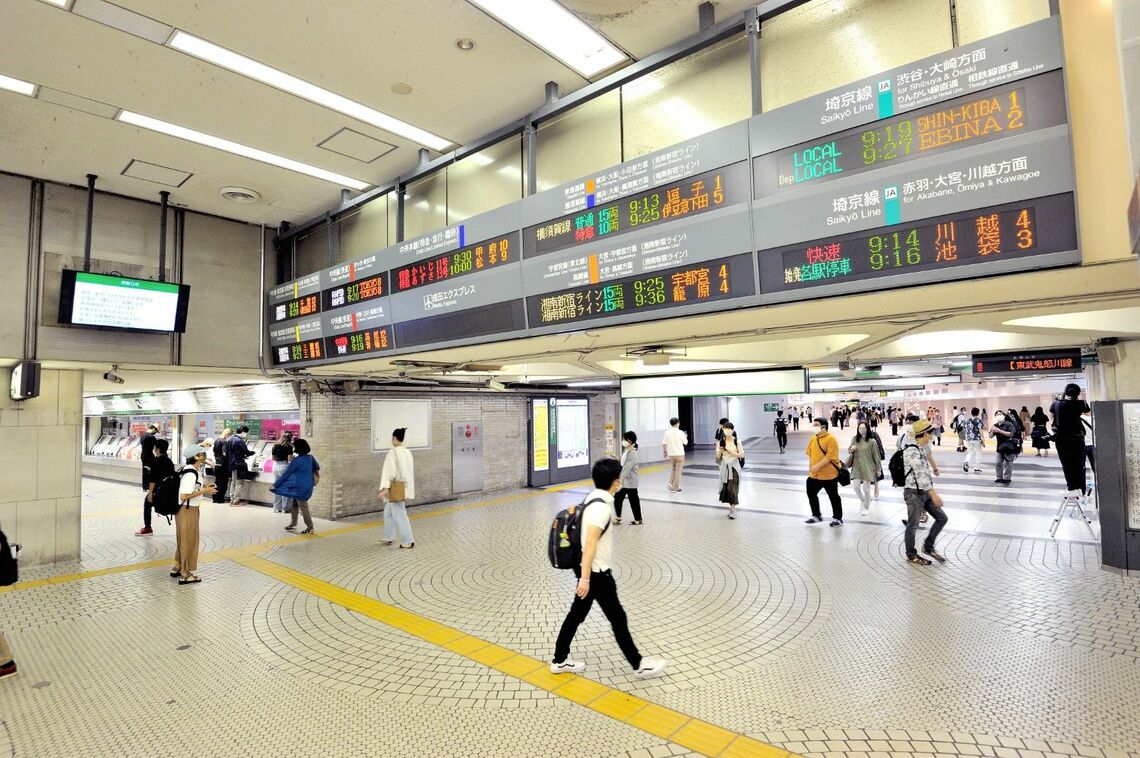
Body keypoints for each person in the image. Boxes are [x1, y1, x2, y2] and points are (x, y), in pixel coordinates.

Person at [550, 457, 668, 680]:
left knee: (577, 615)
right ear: (615, 482)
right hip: (596, 574)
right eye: (619, 479)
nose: (620, 483)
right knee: (617, 618)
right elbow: (591, 544)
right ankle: (638, 664)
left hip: (588, 571)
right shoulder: (601, 509)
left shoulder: (592, 497)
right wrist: (585, 580)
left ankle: (560, 659)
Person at [899, 420, 949, 565]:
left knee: (942, 518)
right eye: (931, 434)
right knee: (913, 525)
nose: (932, 436)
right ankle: (911, 554)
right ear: (925, 434)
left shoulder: (921, 448)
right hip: (914, 493)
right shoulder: (912, 451)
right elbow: (920, 474)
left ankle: (928, 546)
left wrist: (930, 491)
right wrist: (933, 494)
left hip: (924, 492)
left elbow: (925, 473)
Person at [171, 451, 216, 585]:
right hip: (188, 510)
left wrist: (204, 489)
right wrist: (204, 491)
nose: (204, 458)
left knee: (183, 539)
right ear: (197, 458)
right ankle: (185, 574)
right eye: (202, 455)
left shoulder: (190, 470)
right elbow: (184, 495)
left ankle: (177, 567)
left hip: (185, 509)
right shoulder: (191, 473)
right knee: (188, 540)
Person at [1051, 383, 1092, 495]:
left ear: (1065, 392)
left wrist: (1061, 399)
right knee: (1079, 464)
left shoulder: (1056, 404)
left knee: (1067, 464)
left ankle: (1072, 488)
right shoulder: (1081, 403)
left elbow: (1052, 413)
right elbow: (1087, 411)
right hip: (1077, 438)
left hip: (1062, 439)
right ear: (1077, 393)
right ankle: (1081, 489)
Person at [379, 427, 416, 548]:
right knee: (388, 512)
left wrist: (385, 488)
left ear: (394, 438)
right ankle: (389, 536)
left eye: (392, 438)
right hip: (403, 486)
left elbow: (390, 471)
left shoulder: (393, 452)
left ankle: (408, 540)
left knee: (400, 513)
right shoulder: (407, 452)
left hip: (395, 487)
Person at [274, 438, 320, 534]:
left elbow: (286, 474)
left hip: (299, 487)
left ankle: (310, 527)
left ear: (297, 448)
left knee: (303, 506)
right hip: (308, 484)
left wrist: (276, 484)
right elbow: (317, 467)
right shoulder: (310, 458)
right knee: (294, 504)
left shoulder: (296, 460)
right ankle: (293, 525)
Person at [805, 418, 843, 527]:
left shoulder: (831, 440)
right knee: (811, 493)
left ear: (824, 427)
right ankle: (816, 515)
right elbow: (810, 454)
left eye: (816, 424)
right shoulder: (813, 439)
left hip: (829, 475)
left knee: (833, 496)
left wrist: (817, 466)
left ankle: (838, 518)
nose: (814, 426)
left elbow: (829, 457)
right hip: (814, 476)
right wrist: (811, 468)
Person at [136, 438, 175, 536]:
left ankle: (147, 527)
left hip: (157, 491)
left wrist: (150, 493)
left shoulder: (155, 462)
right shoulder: (169, 462)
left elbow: (153, 480)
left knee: (147, 503)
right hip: (167, 491)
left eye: (155, 448)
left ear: (157, 449)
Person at [849, 422, 881, 516]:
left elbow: (876, 456)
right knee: (856, 487)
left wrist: (878, 469)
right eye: (860, 428)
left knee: (866, 488)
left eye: (864, 428)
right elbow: (849, 450)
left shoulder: (872, 441)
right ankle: (863, 500)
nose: (861, 430)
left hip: (868, 467)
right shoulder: (855, 439)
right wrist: (852, 449)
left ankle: (866, 507)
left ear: (868, 429)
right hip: (857, 466)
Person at [614, 431, 642, 525]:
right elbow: (623, 463)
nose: (622, 441)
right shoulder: (627, 450)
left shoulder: (632, 453)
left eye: (624, 439)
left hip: (631, 481)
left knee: (633, 500)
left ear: (629, 441)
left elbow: (627, 468)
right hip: (625, 481)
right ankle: (618, 518)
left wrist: (619, 480)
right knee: (617, 498)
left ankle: (638, 519)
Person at [717, 422, 744, 519]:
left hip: (734, 467)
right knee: (726, 488)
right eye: (725, 428)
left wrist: (731, 452)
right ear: (723, 429)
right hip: (725, 468)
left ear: (732, 430)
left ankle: (733, 510)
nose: (727, 430)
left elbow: (742, 455)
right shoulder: (720, 442)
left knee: (731, 488)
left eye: (729, 428)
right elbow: (717, 457)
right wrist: (720, 451)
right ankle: (732, 508)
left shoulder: (737, 441)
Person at [226, 426, 256, 506]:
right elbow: (246, 452)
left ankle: (231, 499)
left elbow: (231, 452)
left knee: (233, 482)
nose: (246, 435)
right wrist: (254, 452)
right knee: (239, 482)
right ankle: (236, 500)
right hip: (239, 464)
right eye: (246, 433)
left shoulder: (230, 439)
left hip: (232, 464)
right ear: (243, 432)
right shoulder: (239, 441)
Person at [989, 410, 1019, 485]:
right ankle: (999, 477)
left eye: (1000, 414)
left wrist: (999, 431)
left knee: (1008, 463)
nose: (999, 416)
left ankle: (1007, 478)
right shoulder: (995, 425)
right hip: (1000, 447)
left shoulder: (1009, 424)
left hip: (1009, 447)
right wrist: (993, 430)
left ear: (1004, 416)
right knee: (998, 463)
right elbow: (990, 436)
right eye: (997, 414)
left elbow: (1011, 434)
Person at [270, 431, 295, 513]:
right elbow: (289, 459)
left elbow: (273, 458)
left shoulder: (275, 445)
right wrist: (294, 457)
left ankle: (277, 507)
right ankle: (285, 508)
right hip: (284, 466)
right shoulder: (289, 447)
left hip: (275, 466)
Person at [661, 418, 688, 493]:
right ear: (677, 423)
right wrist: (686, 436)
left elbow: (664, 443)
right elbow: (685, 442)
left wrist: (665, 452)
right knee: (678, 471)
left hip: (671, 454)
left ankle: (670, 483)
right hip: (679, 454)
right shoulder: (680, 432)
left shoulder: (667, 432)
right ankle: (676, 487)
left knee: (673, 469)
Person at [211, 428, 234, 504]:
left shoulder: (216, 441)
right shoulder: (224, 442)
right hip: (224, 466)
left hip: (217, 464)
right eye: (230, 435)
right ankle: (220, 499)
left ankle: (214, 498)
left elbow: (214, 453)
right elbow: (225, 454)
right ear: (227, 434)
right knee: (223, 483)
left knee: (217, 482)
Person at [139, 422, 158, 491]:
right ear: (153, 428)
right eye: (155, 431)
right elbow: (158, 445)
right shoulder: (150, 437)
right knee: (151, 472)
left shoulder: (143, 435)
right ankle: (150, 487)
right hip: (149, 456)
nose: (155, 433)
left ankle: (145, 487)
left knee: (144, 471)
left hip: (143, 455)